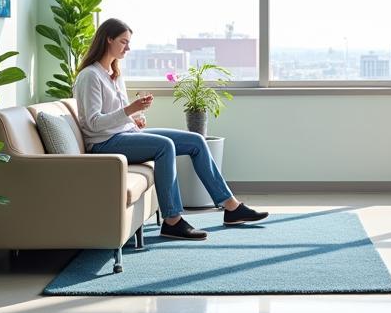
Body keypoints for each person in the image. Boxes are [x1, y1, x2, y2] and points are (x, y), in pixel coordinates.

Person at [73, 18, 269, 241]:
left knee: (196, 141)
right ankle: (172, 220)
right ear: (108, 39)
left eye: (128, 42)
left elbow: (116, 115)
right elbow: (93, 123)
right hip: (104, 143)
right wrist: (129, 111)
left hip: (124, 134)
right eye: (123, 42)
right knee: (164, 146)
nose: (128, 47)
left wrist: (135, 118)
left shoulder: (115, 74)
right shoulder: (90, 76)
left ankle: (231, 207)